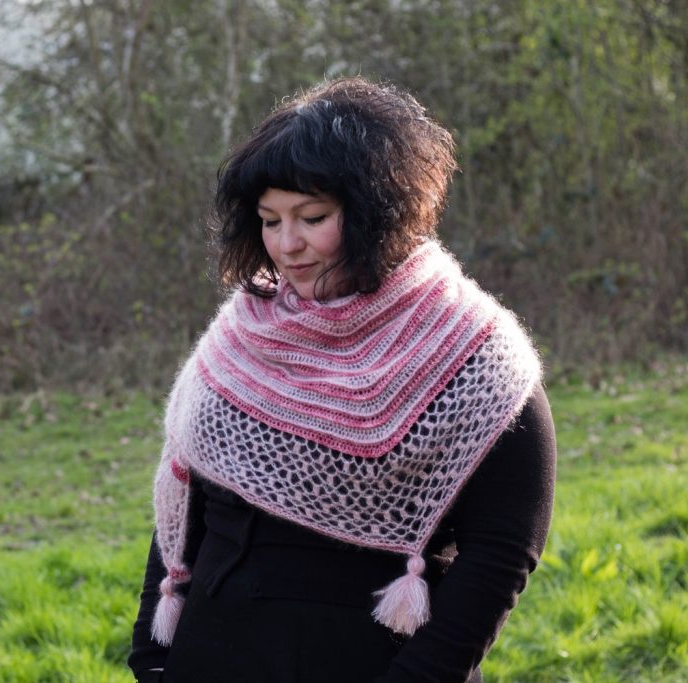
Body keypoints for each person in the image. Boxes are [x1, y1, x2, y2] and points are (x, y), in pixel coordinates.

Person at [128, 77, 556, 683]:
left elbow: (503, 550)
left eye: (312, 217)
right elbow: (188, 500)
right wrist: (151, 655)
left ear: (378, 212)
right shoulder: (240, 335)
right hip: (211, 655)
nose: (286, 245)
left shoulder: (475, 355)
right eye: (269, 221)